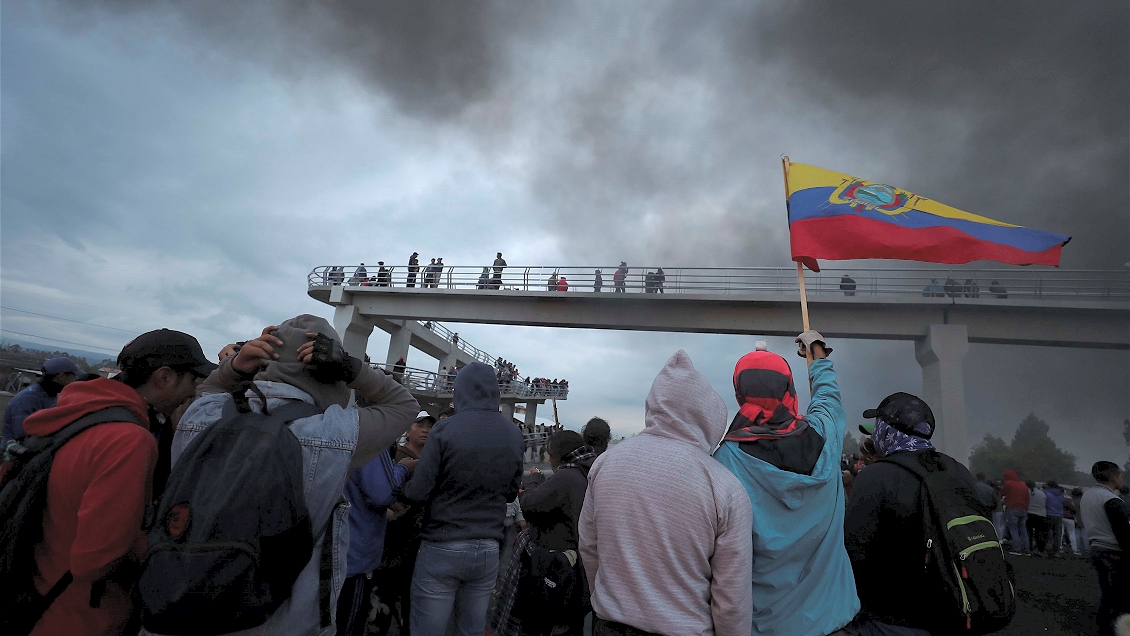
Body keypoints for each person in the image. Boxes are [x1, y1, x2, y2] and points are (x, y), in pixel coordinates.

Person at [151, 316, 420, 636]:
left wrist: (234, 366)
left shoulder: (204, 416)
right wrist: (352, 368)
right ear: (330, 373)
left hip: (179, 604)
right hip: (281, 619)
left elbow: (208, 389)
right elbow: (404, 405)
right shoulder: (335, 432)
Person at [23, 330, 216, 636]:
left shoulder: (80, 414)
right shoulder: (129, 441)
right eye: (193, 379)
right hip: (82, 617)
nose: (194, 391)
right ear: (165, 377)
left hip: (35, 599)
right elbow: (96, 560)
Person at [579, 350, 753, 636]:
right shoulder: (724, 486)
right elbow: (731, 597)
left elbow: (589, 546)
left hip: (608, 625)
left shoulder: (605, 464)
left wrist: (609, 598)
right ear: (709, 415)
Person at [713, 331, 859, 636]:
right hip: (833, 620)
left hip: (765, 626)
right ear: (789, 389)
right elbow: (827, 397)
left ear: (739, 395)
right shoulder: (826, 437)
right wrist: (817, 354)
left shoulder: (725, 460)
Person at [844, 392, 993, 636]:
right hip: (955, 610)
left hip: (893, 619)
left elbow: (853, 550)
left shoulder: (875, 476)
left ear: (886, 430)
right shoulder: (958, 470)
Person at [399, 362, 524, 636]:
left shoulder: (444, 430)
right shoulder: (514, 434)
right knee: (472, 630)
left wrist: (400, 485)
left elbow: (418, 492)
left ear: (460, 391)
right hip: (488, 547)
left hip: (442, 544)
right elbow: (511, 493)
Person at [499, 431, 595, 635]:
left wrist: (534, 479)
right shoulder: (589, 471)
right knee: (569, 623)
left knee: (542, 623)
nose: (548, 459)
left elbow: (530, 504)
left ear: (559, 455)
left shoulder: (566, 476)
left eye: (550, 454)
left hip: (554, 566)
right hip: (577, 564)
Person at [337, 449, 416, 636]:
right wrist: (403, 468)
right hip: (354, 557)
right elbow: (382, 493)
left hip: (332, 553)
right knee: (348, 625)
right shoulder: (372, 443)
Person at [1079, 461, 1130, 636]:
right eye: (1120, 475)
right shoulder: (1111, 499)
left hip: (1096, 547)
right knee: (1120, 598)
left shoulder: (1088, 495)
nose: (1122, 478)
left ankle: (1103, 628)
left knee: (1107, 594)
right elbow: (1123, 532)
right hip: (1113, 552)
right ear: (1114, 477)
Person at [1, 356, 81, 445]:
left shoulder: (49, 395)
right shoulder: (28, 398)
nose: (73, 381)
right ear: (61, 376)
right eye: (73, 377)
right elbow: (24, 437)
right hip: (15, 452)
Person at [1001, 469, 1031, 555]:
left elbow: (1002, 493)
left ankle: (1017, 548)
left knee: (1013, 529)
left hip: (1012, 508)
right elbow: (1027, 498)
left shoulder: (1008, 483)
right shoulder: (1023, 485)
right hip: (1023, 509)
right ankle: (1026, 548)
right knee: (1023, 529)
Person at [1044, 480, 1066, 555]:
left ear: (1049, 485)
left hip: (1048, 513)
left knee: (1047, 531)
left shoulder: (1046, 493)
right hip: (1059, 515)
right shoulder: (1061, 494)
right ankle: (1056, 550)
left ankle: (1046, 547)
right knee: (1057, 533)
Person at [1027, 479, 1048, 555]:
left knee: (1028, 532)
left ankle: (1029, 547)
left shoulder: (1027, 492)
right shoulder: (1042, 493)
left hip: (1029, 513)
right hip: (1041, 514)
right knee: (1039, 533)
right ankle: (1040, 549)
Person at [1072, 487, 1089, 556]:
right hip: (1083, 519)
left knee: (1076, 534)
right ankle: (1087, 549)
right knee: (1085, 535)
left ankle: (1078, 548)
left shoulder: (1072, 501)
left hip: (1074, 518)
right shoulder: (1083, 501)